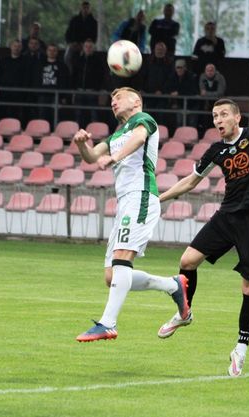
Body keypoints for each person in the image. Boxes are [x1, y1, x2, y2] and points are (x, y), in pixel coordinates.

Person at [158, 98, 249, 376]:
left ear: (237, 118)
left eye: (223, 114)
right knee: (187, 261)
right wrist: (159, 199)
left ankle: (241, 349)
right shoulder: (216, 151)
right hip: (227, 217)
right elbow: (191, 181)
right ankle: (184, 313)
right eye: (215, 116)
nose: (218, 120)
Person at [73, 87, 190, 342]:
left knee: (122, 258)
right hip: (125, 202)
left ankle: (107, 324)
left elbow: (138, 138)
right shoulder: (117, 134)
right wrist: (82, 144)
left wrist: (114, 157)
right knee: (111, 276)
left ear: (136, 101)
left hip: (141, 195)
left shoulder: (143, 120)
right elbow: (92, 157)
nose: (113, 102)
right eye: (111, 98)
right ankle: (173, 285)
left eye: (118, 97)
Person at [30, 44, 70, 127]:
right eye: (50, 50)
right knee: (42, 117)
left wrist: (64, 96)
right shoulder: (40, 65)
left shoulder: (62, 66)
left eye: (54, 50)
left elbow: (65, 82)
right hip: (43, 95)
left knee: (56, 117)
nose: (52, 52)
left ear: (57, 52)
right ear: (46, 52)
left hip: (57, 96)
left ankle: (55, 133)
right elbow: (36, 80)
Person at [72, 39, 106, 127]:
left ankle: (95, 132)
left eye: (90, 47)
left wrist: (98, 89)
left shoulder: (98, 61)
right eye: (86, 46)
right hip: (79, 90)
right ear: (83, 48)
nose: (88, 49)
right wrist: (74, 88)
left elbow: (101, 76)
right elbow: (74, 75)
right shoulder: (78, 60)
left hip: (92, 91)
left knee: (94, 114)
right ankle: (78, 131)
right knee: (78, 114)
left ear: (93, 48)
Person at [0, 39, 26, 121]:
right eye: (14, 46)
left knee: (16, 114)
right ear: (11, 47)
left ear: (21, 48)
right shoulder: (3, 61)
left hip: (18, 92)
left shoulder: (25, 61)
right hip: (4, 91)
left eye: (19, 46)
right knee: (2, 112)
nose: (16, 48)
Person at [64, 1, 98, 73]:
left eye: (87, 8)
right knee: (67, 57)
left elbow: (94, 37)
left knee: (87, 58)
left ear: (89, 9)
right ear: (81, 8)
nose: (85, 10)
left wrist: (85, 44)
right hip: (74, 44)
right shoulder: (74, 20)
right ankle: (69, 73)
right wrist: (70, 43)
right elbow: (68, 33)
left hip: (86, 45)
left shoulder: (93, 22)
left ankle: (84, 73)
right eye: (84, 8)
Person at [165, 58, 199, 129]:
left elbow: (193, 91)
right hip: (179, 104)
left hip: (192, 104)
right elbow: (168, 88)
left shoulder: (191, 77)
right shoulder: (172, 77)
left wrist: (178, 93)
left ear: (185, 68)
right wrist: (172, 94)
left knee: (191, 123)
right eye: (177, 67)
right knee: (179, 122)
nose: (179, 69)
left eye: (181, 67)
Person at [199, 63, 227, 131]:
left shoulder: (220, 77)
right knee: (204, 122)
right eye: (208, 70)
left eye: (211, 70)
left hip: (218, 105)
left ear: (215, 71)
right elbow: (202, 92)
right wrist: (211, 94)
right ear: (205, 71)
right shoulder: (202, 77)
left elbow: (220, 93)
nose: (210, 72)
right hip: (205, 105)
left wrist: (207, 93)